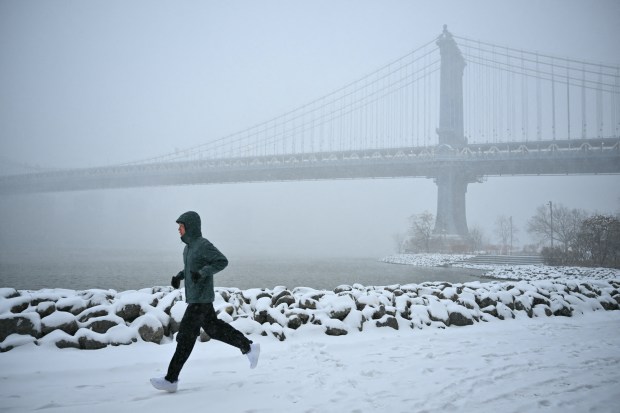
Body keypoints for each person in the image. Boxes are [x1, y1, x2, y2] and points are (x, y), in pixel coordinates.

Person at [150, 211, 260, 393]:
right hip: (196, 299)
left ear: (190, 227)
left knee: (185, 337)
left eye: (181, 226)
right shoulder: (188, 248)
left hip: (200, 300)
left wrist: (203, 273)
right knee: (214, 330)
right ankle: (248, 347)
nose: (178, 229)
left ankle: (171, 379)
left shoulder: (203, 245)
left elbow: (222, 261)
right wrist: (180, 276)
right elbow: (190, 268)